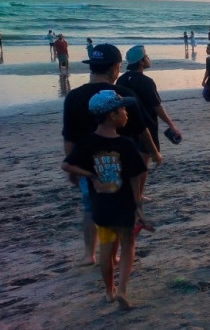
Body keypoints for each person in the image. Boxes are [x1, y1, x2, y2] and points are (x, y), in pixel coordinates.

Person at [62, 44, 162, 266]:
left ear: (93, 67)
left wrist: (72, 166)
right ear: (116, 67)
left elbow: (69, 137)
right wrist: (155, 152)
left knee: (90, 207)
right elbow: (141, 129)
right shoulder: (124, 95)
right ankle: (113, 253)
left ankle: (90, 254)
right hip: (119, 166)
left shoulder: (74, 97)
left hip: (89, 167)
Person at [61, 90, 149, 310]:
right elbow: (134, 177)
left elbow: (67, 165)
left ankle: (109, 292)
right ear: (112, 115)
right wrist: (138, 205)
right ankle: (122, 289)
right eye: (123, 109)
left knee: (107, 250)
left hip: (101, 207)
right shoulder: (126, 144)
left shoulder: (87, 142)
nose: (126, 113)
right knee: (128, 245)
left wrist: (92, 176)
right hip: (124, 205)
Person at [117, 45, 181, 201]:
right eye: (146, 57)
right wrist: (171, 125)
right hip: (146, 125)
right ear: (141, 62)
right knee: (143, 162)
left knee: (128, 161)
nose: (148, 59)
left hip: (124, 126)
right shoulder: (146, 82)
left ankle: (131, 193)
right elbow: (157, 107)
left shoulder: (121, 79)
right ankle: (137, 195)